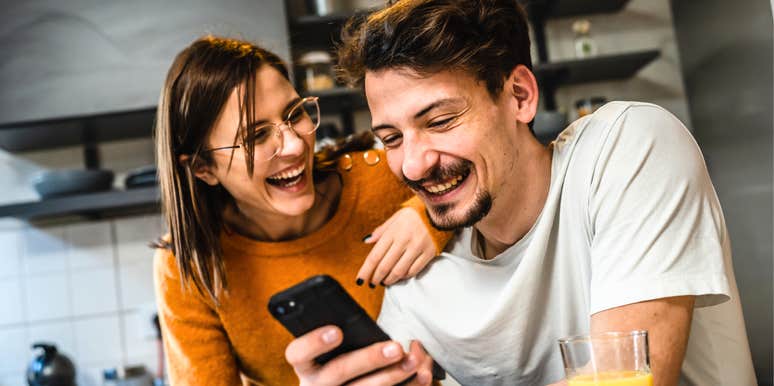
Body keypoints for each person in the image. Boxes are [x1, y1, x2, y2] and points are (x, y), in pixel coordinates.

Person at [284, 0, 758, 385]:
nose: (412, 163)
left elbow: (625, 380)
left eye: (441, 121)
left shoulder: (629, 145)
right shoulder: (417, 282)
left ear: (519, 96)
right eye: (390, 138)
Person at [152, 35, 451, 386]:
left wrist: (432, 214)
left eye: (295, 114)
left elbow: (502, 179)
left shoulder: (386, 178)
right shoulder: (190, 267)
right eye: (256, 137)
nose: (295, 145)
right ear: (203, 168)